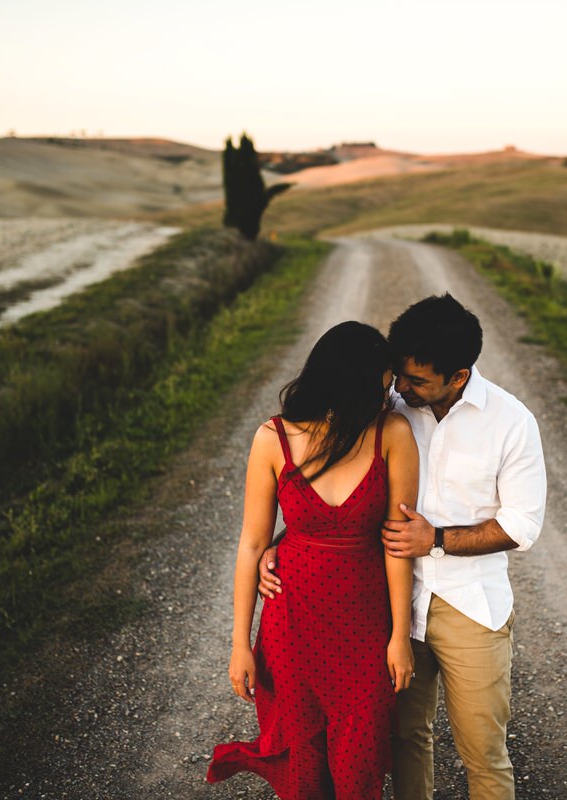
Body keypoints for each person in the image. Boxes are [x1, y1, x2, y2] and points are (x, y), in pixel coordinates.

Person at [261, 295, 547, 800]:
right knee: (405, 742)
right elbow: (332, 495)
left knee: (483, 751)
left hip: (470, 608)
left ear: (458, 376)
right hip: (386, 608)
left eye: (415, 381)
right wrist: (281, 546)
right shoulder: (385, 410)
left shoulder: (511, 422)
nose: (400, 388)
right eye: (398, 376)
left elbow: (523, 525)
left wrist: (435, 539)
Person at [207, 321, 420, 799]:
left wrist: (398, 637)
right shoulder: (273, 438)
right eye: (383, 382)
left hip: (365, 628)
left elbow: (397, 542)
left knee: (360, 771)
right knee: (304, 774)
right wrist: (240, 642)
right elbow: (252, 542)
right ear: (354, 381)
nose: (390, 393)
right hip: (292, 628)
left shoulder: (392, 433)